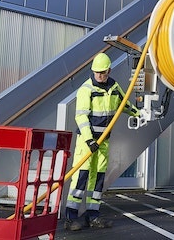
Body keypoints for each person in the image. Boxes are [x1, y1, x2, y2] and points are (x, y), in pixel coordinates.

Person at [65, 52, 139, 230]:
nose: (99, 75)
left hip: (103, 142)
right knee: (80, 178)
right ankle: (70, 218)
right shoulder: (86, 89)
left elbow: (125, 105)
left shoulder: (114, 87)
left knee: (97, 180)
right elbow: (81, 117)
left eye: (102, 72)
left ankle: (93, 216)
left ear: (108, 71)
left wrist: (139, 113)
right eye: (97, 72)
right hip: (87, 142)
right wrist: (90, 140)